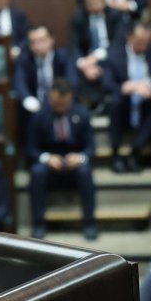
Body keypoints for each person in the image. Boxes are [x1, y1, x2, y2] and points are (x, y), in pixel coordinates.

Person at [27, 80, 96, 240]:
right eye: (57, 104)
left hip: (74, 163)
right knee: (37, 172)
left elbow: (91, 148)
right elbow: (30, 148)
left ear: (71, 98)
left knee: (85, 171)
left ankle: (89, 223)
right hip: (50, 163)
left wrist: (80, 157)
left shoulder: (82, 114)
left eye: (64, 104)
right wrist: (46, 158)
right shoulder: (39, 117)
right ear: (51, 98)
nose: (61, 107)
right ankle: (38, 223)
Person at [107, 21, 151, 172]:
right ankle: (116, 154)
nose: (144, 46)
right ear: (129, 38)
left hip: (147, 100)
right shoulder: (115, 53)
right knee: (115, 103)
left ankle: (135, 153)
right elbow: (107, 82)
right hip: (124, 101)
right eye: (140, 42)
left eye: (147, 42)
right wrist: (126, 87)